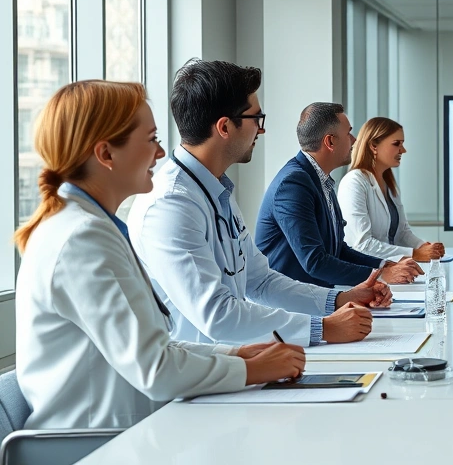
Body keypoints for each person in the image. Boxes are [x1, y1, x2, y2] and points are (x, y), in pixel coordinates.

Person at [15, 81, 304, 430]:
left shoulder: (90, 226)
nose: (161, 154)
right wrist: (250, 369)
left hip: (132, 430)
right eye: (151, 139)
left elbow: (153, 347)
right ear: (106, 155)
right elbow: (155, 370)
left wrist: (233, 354)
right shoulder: (82, 238)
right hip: (98, 446)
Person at [128, 59, 392, 348]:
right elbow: (218, 316)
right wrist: (323, 328)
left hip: (232, 367)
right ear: (225, 127)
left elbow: (260, 282)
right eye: (257, 119)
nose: (261, 131)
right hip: (199, 383)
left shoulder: (215, 190)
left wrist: (340, 299)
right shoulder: (171, 205)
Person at [257, 105, 422, 287]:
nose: (354, 140)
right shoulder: (293, 184)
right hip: (290, 306)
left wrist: (385, 265)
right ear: (330, 142)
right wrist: (382, 274)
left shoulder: (320, 179)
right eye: (349, 133)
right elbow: (315, 262)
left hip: (315, 298)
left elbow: (337, 250)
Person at [337, 116, 445, 262]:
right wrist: (416, 254)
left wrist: (424, 247)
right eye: (396, 144)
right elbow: (362, 244)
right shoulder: (354, 182)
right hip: (366, 273)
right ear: (373, 146)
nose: (403, 150)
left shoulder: (387, 183)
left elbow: (402, 233)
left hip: (390, 271)